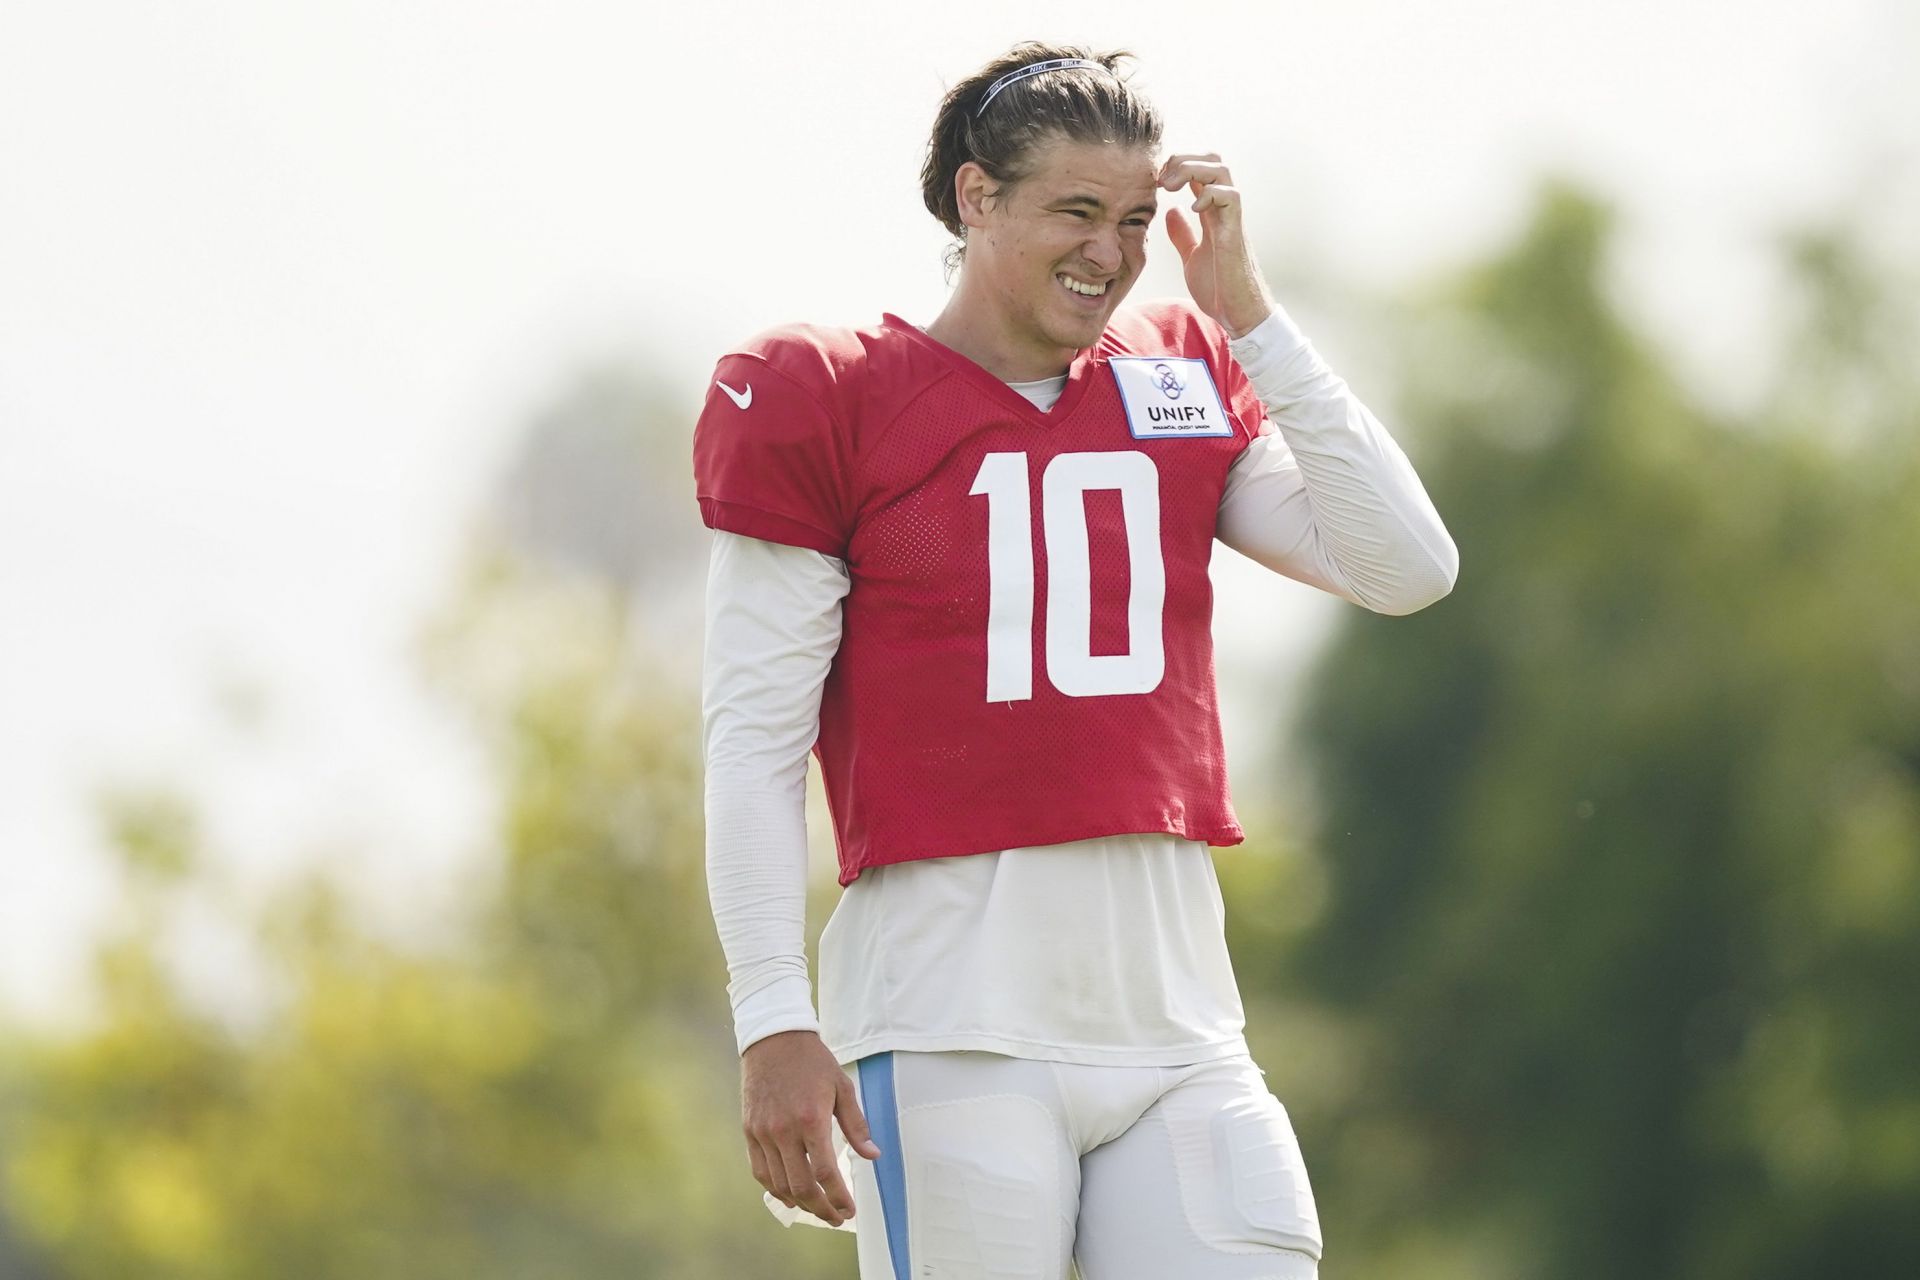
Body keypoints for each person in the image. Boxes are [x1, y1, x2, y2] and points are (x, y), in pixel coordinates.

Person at [693, 41, 1458, 1280]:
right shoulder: (831, 395)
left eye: (1138, 218)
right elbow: (754, 741)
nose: (1110, 249)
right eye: (1077, 210)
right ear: (973, 195)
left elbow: (1406, 565)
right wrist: (773, 1014)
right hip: (951, 1026)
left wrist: (1250, 317)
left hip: (1181, 1025)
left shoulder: (1178, 374)